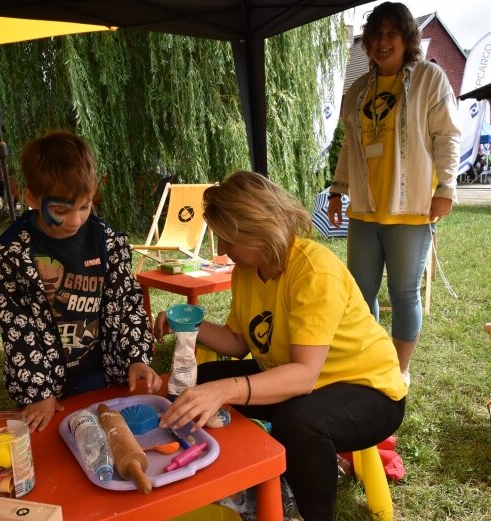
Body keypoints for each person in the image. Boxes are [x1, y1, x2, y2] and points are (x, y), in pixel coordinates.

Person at [156, 171, 407, 521]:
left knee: (297, 421)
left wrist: (225, 390)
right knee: (196, 381)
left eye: (228, 239)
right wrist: (190, 327)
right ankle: (214, 477)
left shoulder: (313, 270)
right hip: (295, 379)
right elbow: (239, 342)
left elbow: (303, 376)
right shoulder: (247, 269)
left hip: (368, 391)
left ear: (257, 228)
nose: (223, 250)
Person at [0, 131, 161, 432]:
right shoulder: (14, 253)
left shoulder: (107, 243)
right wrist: (39, 392)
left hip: (103, 373)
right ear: (31, 199)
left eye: (85, 206)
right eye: (60, 210)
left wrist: (136, 356)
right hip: (45, 384)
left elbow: (127, 304)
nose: (75, 220)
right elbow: (18, 327)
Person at [326, 1, 460, 386]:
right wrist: (337, 192)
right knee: (361, 292)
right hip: (365, 211)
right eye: (375, 34)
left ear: (406, 39)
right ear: (367, 42)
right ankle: (370, 360)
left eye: (391, 34)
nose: (382, 42)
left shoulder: (430, 79)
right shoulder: (356, 92)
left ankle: (398, 369)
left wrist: (445, 188)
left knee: (403, 294)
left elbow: (447, 135)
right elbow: (349, 147)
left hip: (411, 209)